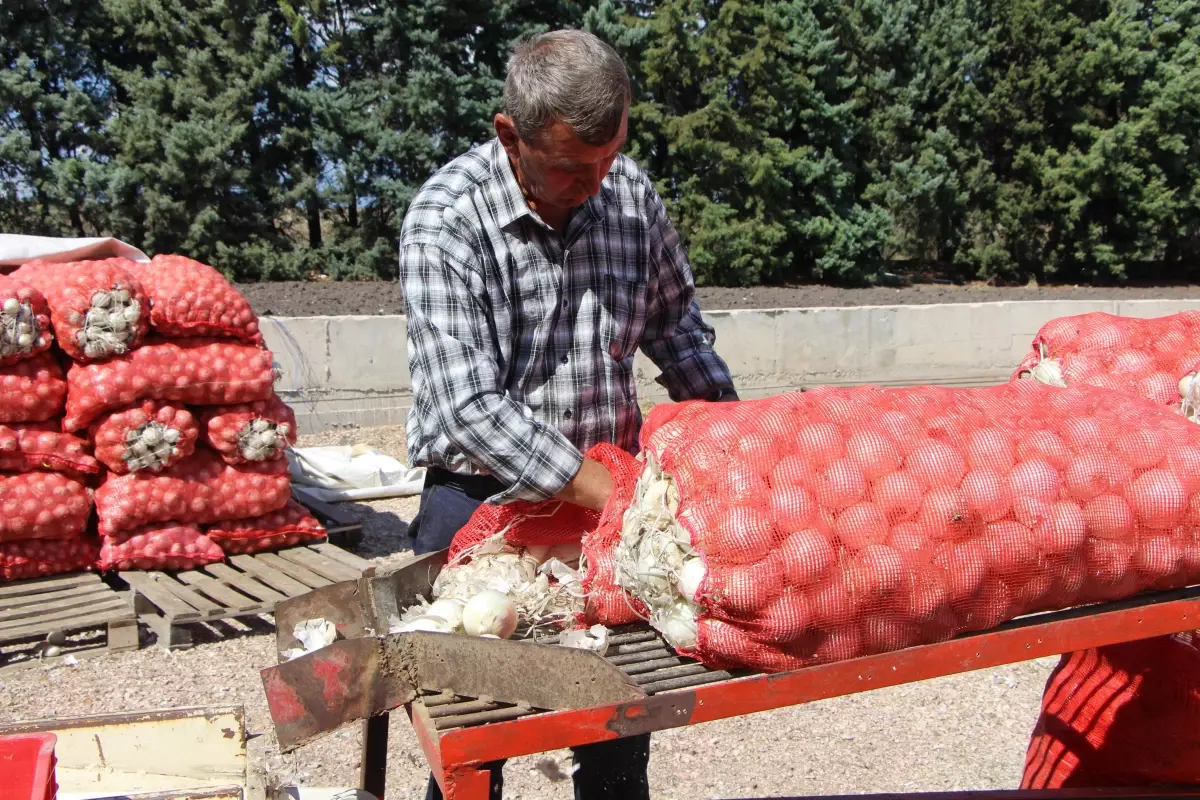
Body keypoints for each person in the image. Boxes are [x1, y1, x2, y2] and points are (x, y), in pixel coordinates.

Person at [398, 28, 738, 800]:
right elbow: (468, 404)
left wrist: (734, 439)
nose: (596, 181)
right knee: (474, 735)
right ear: (509, 136)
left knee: (619, 724)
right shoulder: (446, 220)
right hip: (479, 503)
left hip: (608, 506)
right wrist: (612, 492)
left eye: (609, 158)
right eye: (569, 166)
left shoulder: (630, 195)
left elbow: (676, 331)